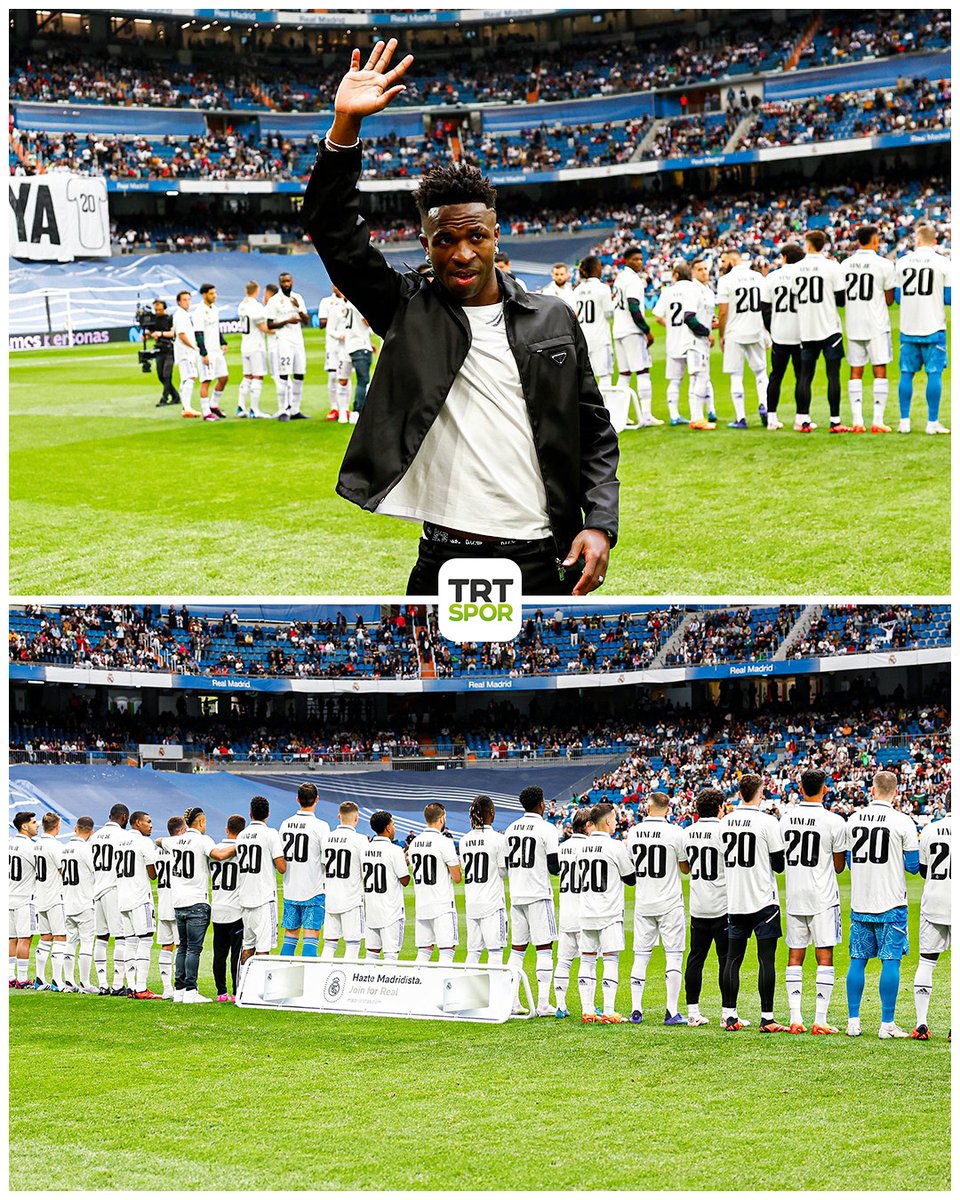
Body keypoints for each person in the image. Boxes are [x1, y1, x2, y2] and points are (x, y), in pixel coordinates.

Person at [301, 39, 619, 597]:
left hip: (543, 555)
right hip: (444, 558)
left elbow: (592, 430)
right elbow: (332, 230)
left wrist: (600, 522)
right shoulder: (406, 309)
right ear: (426, 246)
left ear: (497, 237)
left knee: (540, 689)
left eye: (476, 236)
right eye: (444, 240)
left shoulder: (553, 318)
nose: (462, 253)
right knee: (434, 688)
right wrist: (344, 128)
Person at [845, 771, 920, 1039]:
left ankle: (853, 1021)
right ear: (896, 792)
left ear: (872, 789)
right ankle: (886, 1023)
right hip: (891, 902)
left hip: (861, 902)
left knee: (857, 960)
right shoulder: (903, 821)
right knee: (891, 961)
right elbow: (913, 867)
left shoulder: (853, 819)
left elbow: (850, 861)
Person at [781, 769, 850, 1035]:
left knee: (795, 956)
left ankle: (795, 1018)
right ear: (825, 789)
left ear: (800, 788)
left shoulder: (785, 819)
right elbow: (839, 865)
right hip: (823, 897)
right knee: (825, 956)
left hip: (795, 895)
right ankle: (820, 1019)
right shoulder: (834, 820)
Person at [719, 774, 788, 1033]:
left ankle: (730, 1015)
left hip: (736, 900)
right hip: (762, 900)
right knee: (766, 960)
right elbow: (779, 866)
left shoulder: (724, 822)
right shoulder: (768, 821)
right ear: (759, 794)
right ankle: (767, 1018)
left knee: (732, 959)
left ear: (740, 793)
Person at [158, 806, 236, 1004]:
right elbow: (218, 855)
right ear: (200, 822)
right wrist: (240, 846)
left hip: (178, 903)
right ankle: (191, 990)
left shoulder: (173, 841)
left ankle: (180, 990)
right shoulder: (203, 840)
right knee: (193, 948)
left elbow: (159, 841)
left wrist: (166, 844)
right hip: (196, 902)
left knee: (182, 946)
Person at [626, 791, 689, 1025]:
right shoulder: (676, 832)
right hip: (669, 902)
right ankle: (671, 1011)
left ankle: (636, 1010)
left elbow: (632, 863)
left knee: (641, 956)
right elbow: (685, 868)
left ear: (647, 807)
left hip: (644, 902)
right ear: (668, 809)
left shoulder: (633, 832)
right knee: (673, 955)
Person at [504, 784, 560, 1016]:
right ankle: (544, 1003)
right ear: (541, 804)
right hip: (538, 894)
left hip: (517, 895)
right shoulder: (546, 828)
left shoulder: (510, 829)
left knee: (517, 949)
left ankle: (513, 1002)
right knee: (544, 948)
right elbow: (554, 866)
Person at [578, 802, 636, 1025]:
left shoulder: (581, 846)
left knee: (587, 960)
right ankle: (609, 1011)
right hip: (609, 911)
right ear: (608, 822)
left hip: (586, 909)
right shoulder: (615, 847)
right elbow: (630, 879)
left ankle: (587, 1010)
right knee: (610, 959)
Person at [894, 224, 951, 435]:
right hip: (933, 325)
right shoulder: (943, 262)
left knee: (906, 373)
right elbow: (948, 298)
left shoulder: (902, 262)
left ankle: (904, 421)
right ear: (934, 241)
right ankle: (932, 422)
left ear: (917, 241)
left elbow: (898, 298)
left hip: (909, 326)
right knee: (934, 373)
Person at [792, 230, 848, 433]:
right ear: (824, 245)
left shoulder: (795, 269)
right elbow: (841, 301)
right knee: (833, 375)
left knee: (805, 376)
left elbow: (794, 296)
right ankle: (835, 421)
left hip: (807, 329)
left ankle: (804, 420)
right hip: (829, 328)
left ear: (807, 245)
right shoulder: (833, 267)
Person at [842, 226, 896, 433]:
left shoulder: (845, 265)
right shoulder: (884, 264)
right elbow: (890, 300)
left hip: (854, 323)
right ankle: (877, 420)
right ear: (875, 241)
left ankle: (857, 421)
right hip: (876, 324)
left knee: (855, 370)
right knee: (879, 369)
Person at [683, 788, 729, 1027]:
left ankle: (692, 1012)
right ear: (719, 808)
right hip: (722, 903)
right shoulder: (724, 831)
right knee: (726, 960)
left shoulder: (687, 833)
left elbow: (685, 867)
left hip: (698, 904)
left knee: (695, 959)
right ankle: (727, 1013)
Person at [716, 248, 769, 429]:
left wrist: (721, 334)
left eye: (724, 261)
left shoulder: (725, 281)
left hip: (734, 332)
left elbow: (723, 312)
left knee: (736, 374)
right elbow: (766, 305)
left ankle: (741, 417)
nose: (722, 265)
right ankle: (765, 404)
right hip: (755, 329)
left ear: (733, 260)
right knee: (761, 372)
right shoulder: (758, 278)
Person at [912, 807, 951, 1039]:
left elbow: (924, 870)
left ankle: (921, 1024)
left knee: (926, 962)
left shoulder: (929, 829)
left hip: (934, 901)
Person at [278, 781, 330, 959]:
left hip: (291, 889)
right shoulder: (322, 827)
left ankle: (283, 981)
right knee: (311, 935)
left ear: (297, 799)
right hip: (313, 889)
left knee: (290, 935)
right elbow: (326, 861)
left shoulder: (285, 824)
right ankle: (309, 982)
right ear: (317, 799)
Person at [115, 810, 161, 999]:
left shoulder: (119, 841)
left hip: (123, 899)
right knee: (146, 939)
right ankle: (141, 988)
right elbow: (152, 874)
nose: (151, 825)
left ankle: (132, 986)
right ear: (137, 823)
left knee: (130, 942)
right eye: (148, 822)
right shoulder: (143, 842)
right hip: (140, 898)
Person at [236, 796, 286, 969]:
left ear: (250, 813)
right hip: (264, 898)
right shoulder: (271, 834)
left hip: (245, 898)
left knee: (248, 946)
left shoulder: (241, 836)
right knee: (263, 949)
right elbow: (281, 867)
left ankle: (242, 986)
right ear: (268, 814)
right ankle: (258, 992)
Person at [408, 803, 461, 964]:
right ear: (442, 818)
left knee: (424, 951)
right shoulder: (444, 842)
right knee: (447, 950)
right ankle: (440, 987)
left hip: (422, 904)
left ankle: (418, 986)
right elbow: (457, 877)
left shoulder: (414, 843)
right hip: (442, 904)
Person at [612, 244, 658, 427]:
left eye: (640, 259)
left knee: (624, 374)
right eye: (635, 259)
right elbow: (633, 306)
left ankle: (618, 417)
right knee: (642, 371)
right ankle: (646, 416)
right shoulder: (634, 280)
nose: (639, 262)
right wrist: (646, 330)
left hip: (618, 330)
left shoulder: (620, 278)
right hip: (632, 331)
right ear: (626, 260)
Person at [458, 795, 507, 966]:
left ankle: (467, 992)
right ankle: (495, 992)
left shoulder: (464, 840)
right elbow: (503, 871)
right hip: (492, 903)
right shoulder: (499, 839)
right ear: (491, 812)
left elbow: (465, 868)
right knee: (495, 952)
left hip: (472, 902)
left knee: (473, 952)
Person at [554, 807, 592, 1018]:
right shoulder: (591, 847)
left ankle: (560, 1006)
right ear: (587, 826)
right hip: (585, 910)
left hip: (566, 909)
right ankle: (588, 1006)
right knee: (589, 960)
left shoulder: (563, 847)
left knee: (564, 960)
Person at [761, 243, 804, 431]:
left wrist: (772, 328)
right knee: (801, 376)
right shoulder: (803, 275)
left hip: (779, 333)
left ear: (785, 257)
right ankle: (801, 418)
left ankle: (771, 418)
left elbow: (764, 308)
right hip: (801, 332)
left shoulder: (772, 277)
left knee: (775, 376)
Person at [90, 803, 130, 996]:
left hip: (97, 889)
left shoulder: (94, 836)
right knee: (120, 937)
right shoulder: (123, 836)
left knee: (102, 937)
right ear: (123, 818)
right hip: (114, 888)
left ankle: (103, 984)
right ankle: (117, 984)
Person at [319, 800, 367, 960]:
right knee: (353, 945)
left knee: (329, 944)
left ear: (339, 816)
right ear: (356, 818)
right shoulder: (360, 840)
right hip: (352, 900)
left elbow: (323, 866)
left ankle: (323, 978)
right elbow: (365, 870)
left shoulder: (327, 838)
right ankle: (347, 982)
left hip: (331, 898)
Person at [362, 811, 410, 962]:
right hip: (390, 911)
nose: (394, 827)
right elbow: (405, 880)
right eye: (393, 824)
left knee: (372, 953)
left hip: (371, 909)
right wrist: (406, 863)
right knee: (391, 954)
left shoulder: (364, 849)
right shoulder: (395, 850)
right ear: (388, 827)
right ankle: (388, 986)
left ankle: (367, 985)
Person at [652, 261, 695, 426]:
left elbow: (657, 316)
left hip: (674, 340)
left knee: (675, 380)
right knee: (696, 378)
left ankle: (674, 415)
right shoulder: (694, 289)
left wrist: (668, 326)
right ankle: (697, 413)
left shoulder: (668, 292)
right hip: (691, 339)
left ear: (676, 275)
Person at [265, 271, 310, 420]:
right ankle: (283, 409)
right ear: (280, 284)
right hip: (283, 340)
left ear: (292, 282)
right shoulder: (274, 301)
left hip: (298, 340)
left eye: (288, 281)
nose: (286, 284)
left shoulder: (298, 298)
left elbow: (306, 321)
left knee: (299, 374)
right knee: (284, 374)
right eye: (283, 282)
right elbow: (270, 324)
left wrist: (298, 308)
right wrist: (287, 321)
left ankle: (295, 409)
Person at [60, 815, 97, 994]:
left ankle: (68, 982)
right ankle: (84, 983)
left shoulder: (64, 849)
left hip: (67, 901)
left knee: (70, 941)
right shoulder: (87, 850)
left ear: (75, 828)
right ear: (91, 831)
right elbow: (96, 874)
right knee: (87, 942)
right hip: (84, 902)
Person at [211, 814, 245, 1002]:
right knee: (236, 953)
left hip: (217, 908)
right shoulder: (242, 851)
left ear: (226, 829)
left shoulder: (214, 850)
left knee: (220, 953)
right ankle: (236, 991)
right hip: (235, 909)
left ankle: (220, 992)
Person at [682, 258, 718, 430]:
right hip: (695, 341)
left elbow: (704, 316)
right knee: (700, 378)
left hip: (701, 342)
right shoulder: (692, 290)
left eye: (706, 268)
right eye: (700, 269)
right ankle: (697, 418)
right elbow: (688, 317)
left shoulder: (708, 291)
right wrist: (707, 332)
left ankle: (696, 417)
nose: (704, 272)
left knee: (697, 379)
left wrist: (712, 322)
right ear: (693, 272)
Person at [33, 812, 67, 991]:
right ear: (57, 826)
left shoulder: (37, 845)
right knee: (60, 937)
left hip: (41, 896)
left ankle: (39, 979)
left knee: (45, 937)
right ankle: (57, 981)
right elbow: (64, 871)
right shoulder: (56, 846)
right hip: (55, 897)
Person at [574, 255, 615, 390]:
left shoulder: (577, 290)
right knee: (604, 377)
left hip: (582, 339)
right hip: (600, 338)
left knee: (584, 379)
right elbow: (609, 314)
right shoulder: (603, 288)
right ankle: (606, 409)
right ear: (597, 268)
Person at [9, 811, 38, 990]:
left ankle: (10, 977)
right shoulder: (31, 847)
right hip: (25, 897)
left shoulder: (8, 844)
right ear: (24, 826)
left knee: (10, 939)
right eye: (34, 822)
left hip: (8, 896)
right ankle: (22, 978)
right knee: (25, 939)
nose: (37, 825)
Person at [155, 815, 183, 999]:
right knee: (182, 947)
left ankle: (167, 989)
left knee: (167, 946)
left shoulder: (157, 851)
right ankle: (182, 987)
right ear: (181, 831)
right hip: (178, 902)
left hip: (163, 902)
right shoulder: (179, 849)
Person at [193, 282, 229, 421]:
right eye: (211, 293)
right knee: (206, 381)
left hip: (216, 351)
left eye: (215, 293)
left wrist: (223, 342)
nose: (214, 296)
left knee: (224, 377)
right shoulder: (199, 312)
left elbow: (216, 328)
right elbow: (198, 333)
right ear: (204, 295)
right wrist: (204, 353)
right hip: (207, 352)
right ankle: (206, 412)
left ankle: (214, 405)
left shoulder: (215, 309)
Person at [236, 281, 269, 418]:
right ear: (257, 290)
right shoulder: (255, 306)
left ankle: (241, 407)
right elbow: (262, 326)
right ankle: (254, 410)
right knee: (258, 376)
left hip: (245, 345)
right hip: (256, 345)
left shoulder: (242, 305)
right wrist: (275, 332)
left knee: (247, 376)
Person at [319, 285, 350, 422]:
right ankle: (334, 408)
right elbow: (326, 327)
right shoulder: (327, 302)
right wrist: (339, 335)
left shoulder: (352, 304)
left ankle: (345, 408)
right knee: (332, 376)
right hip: (332, 347)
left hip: (348, 347)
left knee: (345, 377)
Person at [343, 295, 374, 421]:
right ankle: (357, 411)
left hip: (351, 345)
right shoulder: (359, 302)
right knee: (363, 380)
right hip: (361, 346)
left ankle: (356, 411)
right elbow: (367, 321)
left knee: (361, 379)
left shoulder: (348, 304)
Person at [172, 289, 201, 419]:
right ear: (179, 302)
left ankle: (186, 407)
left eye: (189, 299)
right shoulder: (180, 315)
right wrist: (193, 346)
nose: (187, 302)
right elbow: (181, 334)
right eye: (184, 300)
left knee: (186, 378)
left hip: (184, 352)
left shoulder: (183, 314)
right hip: (185, 352)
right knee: (191, 376)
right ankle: (187, 408)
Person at [148, 298, 179, 409]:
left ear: (164, 308)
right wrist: (147, 334)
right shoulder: (153, 319)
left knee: (166, 375)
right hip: (159, 349)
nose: (157, 312)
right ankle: (175, 396)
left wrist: (160, 333)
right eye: (156, 310)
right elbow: (149, 332)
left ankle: (164, 398)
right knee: (161, 376)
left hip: (170, 349)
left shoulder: (170, 318)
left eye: (159, 309)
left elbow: (172, 333)